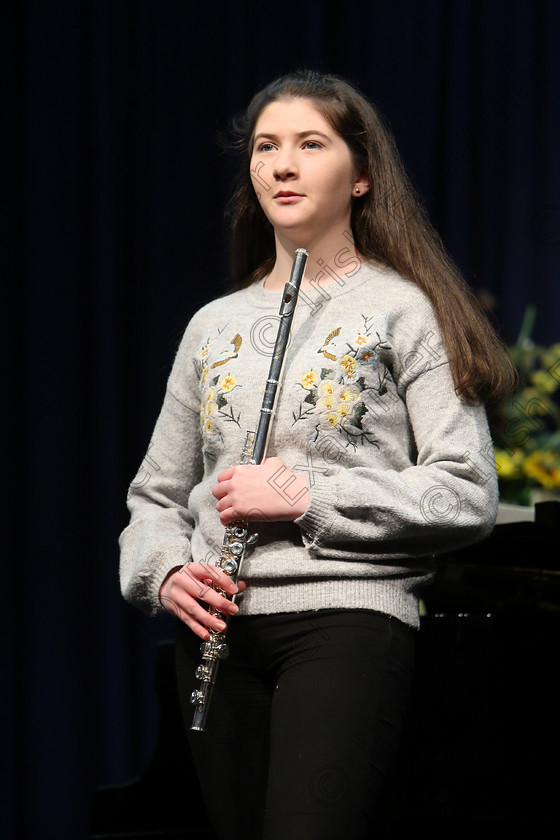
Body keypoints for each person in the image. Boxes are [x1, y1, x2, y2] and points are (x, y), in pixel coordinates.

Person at [119, 70, 513, 839]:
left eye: (309, 144)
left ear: (361, 175)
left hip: (347, 621)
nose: (282, 165)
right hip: (216, 635)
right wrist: (165, 571)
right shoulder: (212, 325)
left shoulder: (405, 308)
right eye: (266, 147)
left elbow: (467, 491)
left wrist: (307, 498)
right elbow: (155, 497)